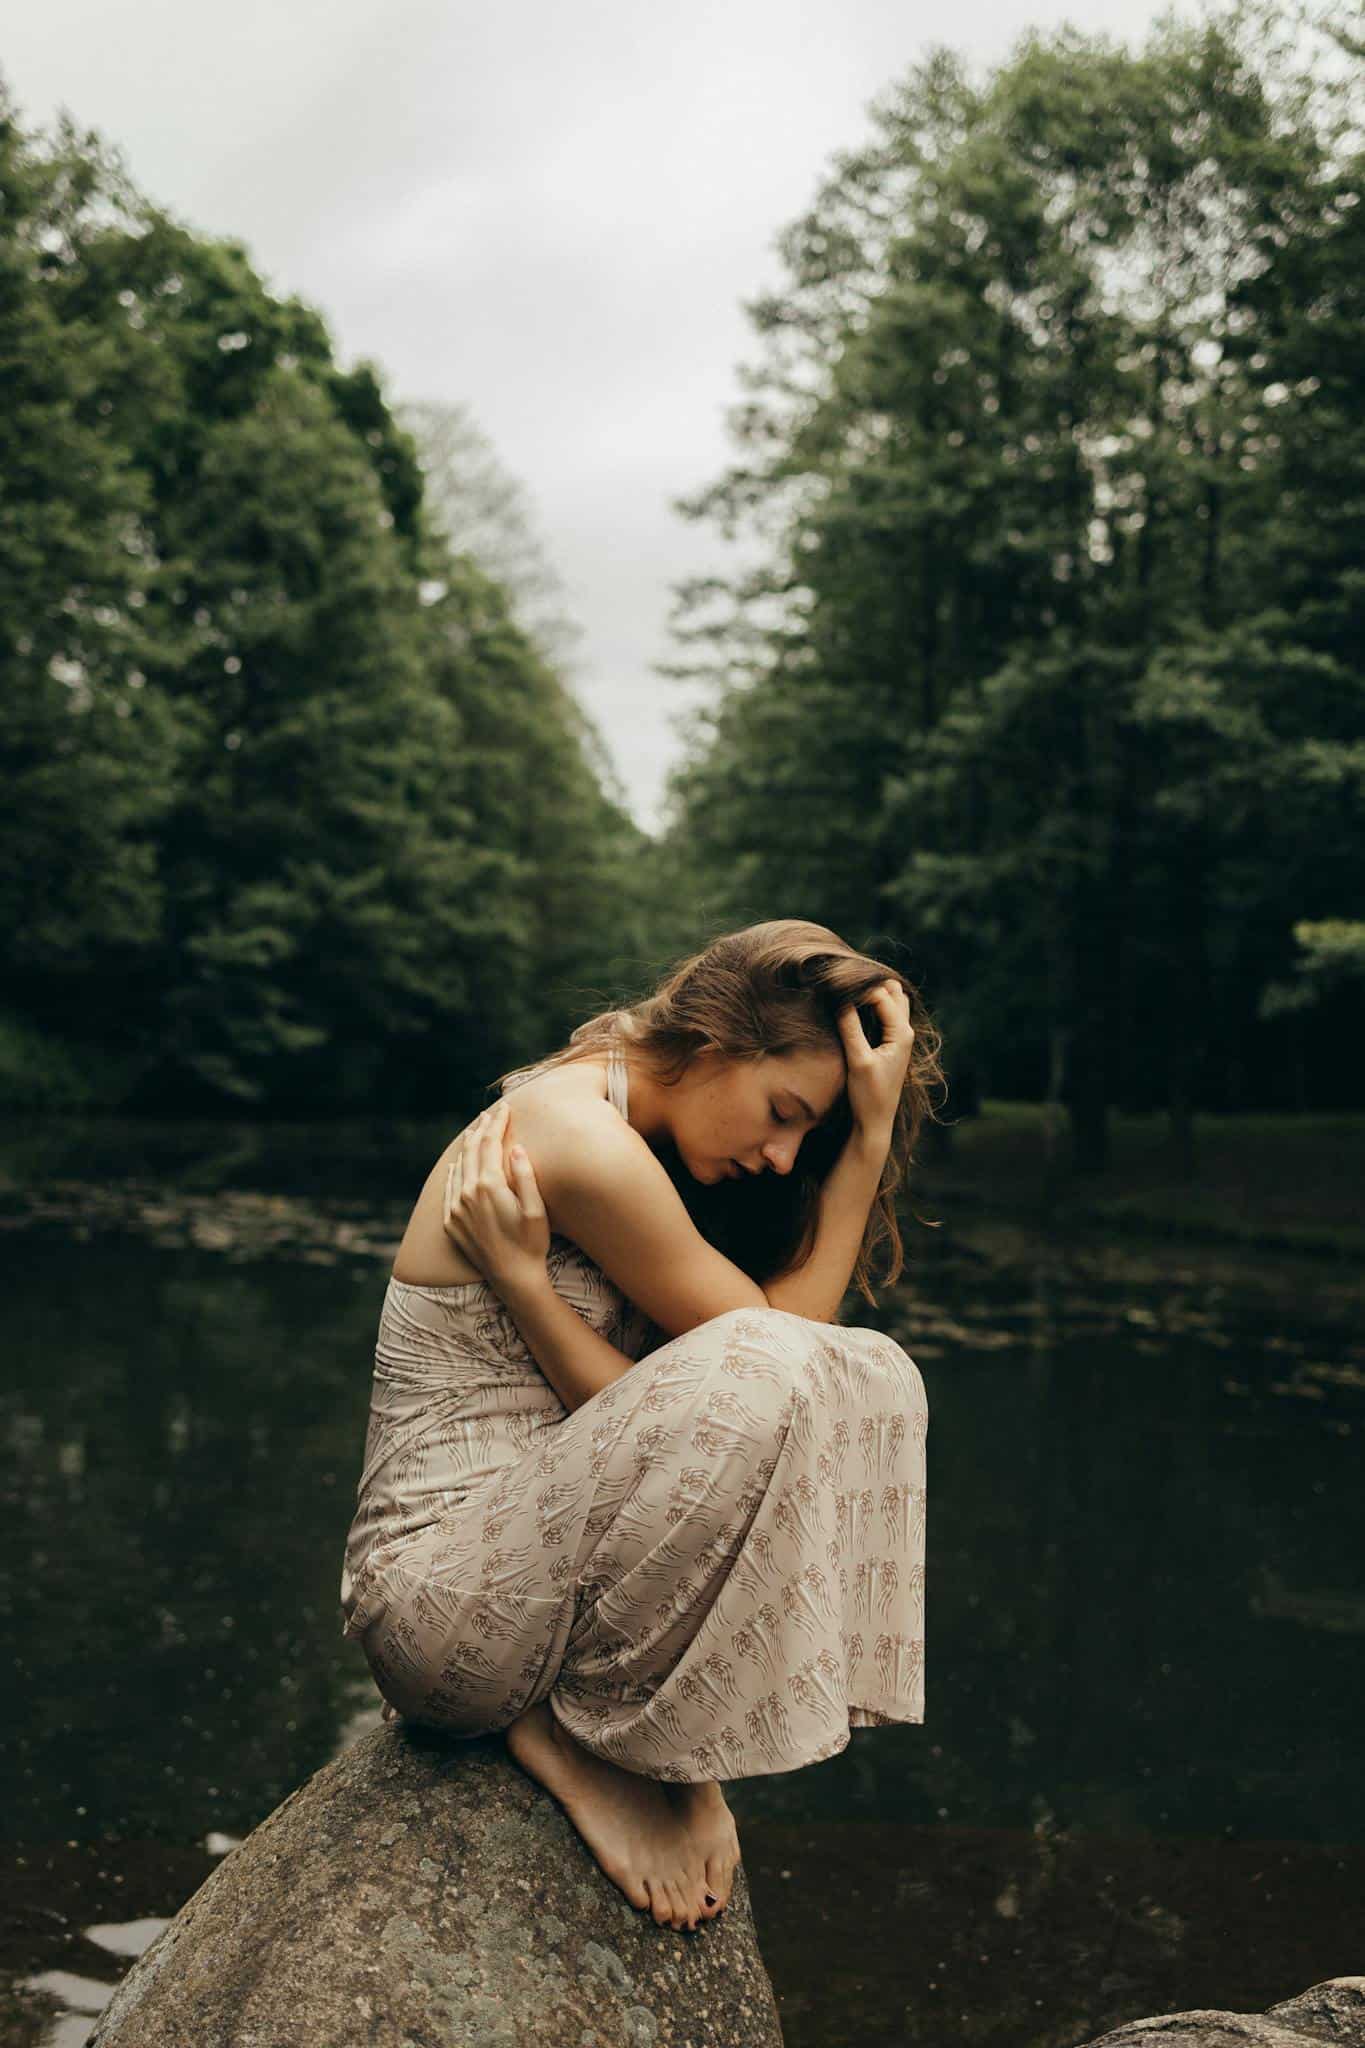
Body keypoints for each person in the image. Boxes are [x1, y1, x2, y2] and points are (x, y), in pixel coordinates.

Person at [339, 919, 939, 1933]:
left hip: (532, 1590)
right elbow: (771, 1357)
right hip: (440, 1615)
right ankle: (579, 1742)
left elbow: (725, 1390)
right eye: (785, 1112)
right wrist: (867, 1145)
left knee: (874, 1372)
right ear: (712, 1040)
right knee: (798, 1362)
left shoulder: (624, 1076)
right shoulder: (581, 1138)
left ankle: (664, 1741)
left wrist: (533, 1288)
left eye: (813, 1135)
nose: (783, 1152)